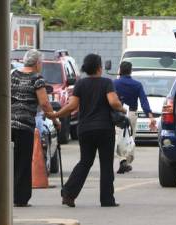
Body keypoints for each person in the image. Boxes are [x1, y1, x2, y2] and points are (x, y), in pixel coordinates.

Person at [47, 54, 126, 207]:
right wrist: (123, 109)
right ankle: (107, 199)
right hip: (104, 129)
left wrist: (56, 114)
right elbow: (114, 102)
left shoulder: (80, 84)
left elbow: (71, 106)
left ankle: (69, 193)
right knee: (106, 164)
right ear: (99, 68)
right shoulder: (106, 83)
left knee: (85, 161)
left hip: (85, 129)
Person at [11, 49, 60, 207]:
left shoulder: (13, 75)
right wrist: (55, 118)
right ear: (37, 63)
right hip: (24, 126)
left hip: (8, 125)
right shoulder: (37, 78)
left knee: (8, 161)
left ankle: (5, 194)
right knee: (23, 162)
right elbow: (45, 103)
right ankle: (20, 198)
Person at [113, 61, 157, 174]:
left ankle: (122, 160)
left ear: (120, 71)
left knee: (118, 138)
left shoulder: (114, 83)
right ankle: (126, 161)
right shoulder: (137, 85)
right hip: (132, 114)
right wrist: (150, 117)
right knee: (130, 138)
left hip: (118, 114)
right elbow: (144, 101)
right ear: (131, 71)